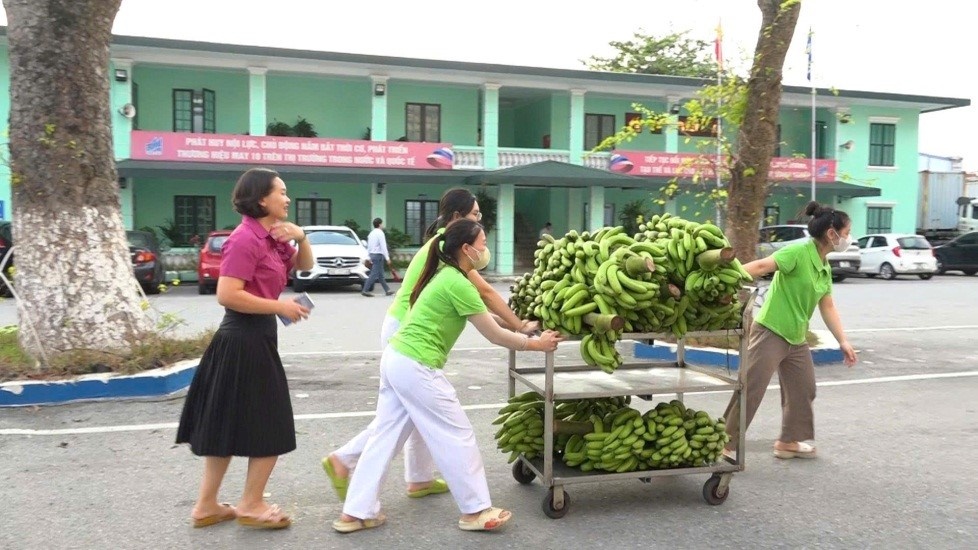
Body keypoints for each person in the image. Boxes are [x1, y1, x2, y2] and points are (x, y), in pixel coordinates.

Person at [333, 218, 563, 533]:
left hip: (398, 359)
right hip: (416, 366)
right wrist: (536, 344)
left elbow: (484, 316)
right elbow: (493, 335)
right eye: (482, 243)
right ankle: (475, 511)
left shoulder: (445, 274)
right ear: (466, 249)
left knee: (383, 437)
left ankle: (356, 513)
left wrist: (520, 325)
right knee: (456, 434)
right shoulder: (457, 281)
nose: (485, 249)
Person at [175, 167, 314, 530]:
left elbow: (306, 266)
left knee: (227, 422)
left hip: (254, 337)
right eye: (281, 192)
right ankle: (251, 504)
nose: (287, 198)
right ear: (261, 199)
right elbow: (228, 294)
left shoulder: (273, 237)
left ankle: (206, 506)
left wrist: (302, 237)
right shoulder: (244, 239)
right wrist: (280, 306)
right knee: (272, 422)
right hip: (243, 338)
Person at [723, 201, 858, 461]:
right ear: (832, 234)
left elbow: (827, 305)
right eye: (847, 232)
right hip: (771, 329)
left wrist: (843, 341)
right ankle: (724, 444)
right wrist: (726, 276)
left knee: (803, 388)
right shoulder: (798, 251)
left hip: (796, 336)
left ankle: (788, 441)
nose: (849, 238)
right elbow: (762, 266)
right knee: (751, 388)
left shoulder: (824, 266)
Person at [362, 217, 394, 297]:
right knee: (374, 274)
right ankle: (365, 290)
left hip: (372, 255)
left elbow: (368, 246)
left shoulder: (371, 233)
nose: (383, 225)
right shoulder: (380, 233)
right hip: (378, 256)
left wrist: (368, 257)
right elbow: (383, 246)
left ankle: (387, 290)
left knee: (380, 275)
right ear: (379, 224)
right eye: (382, 223)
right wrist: (387, 258)